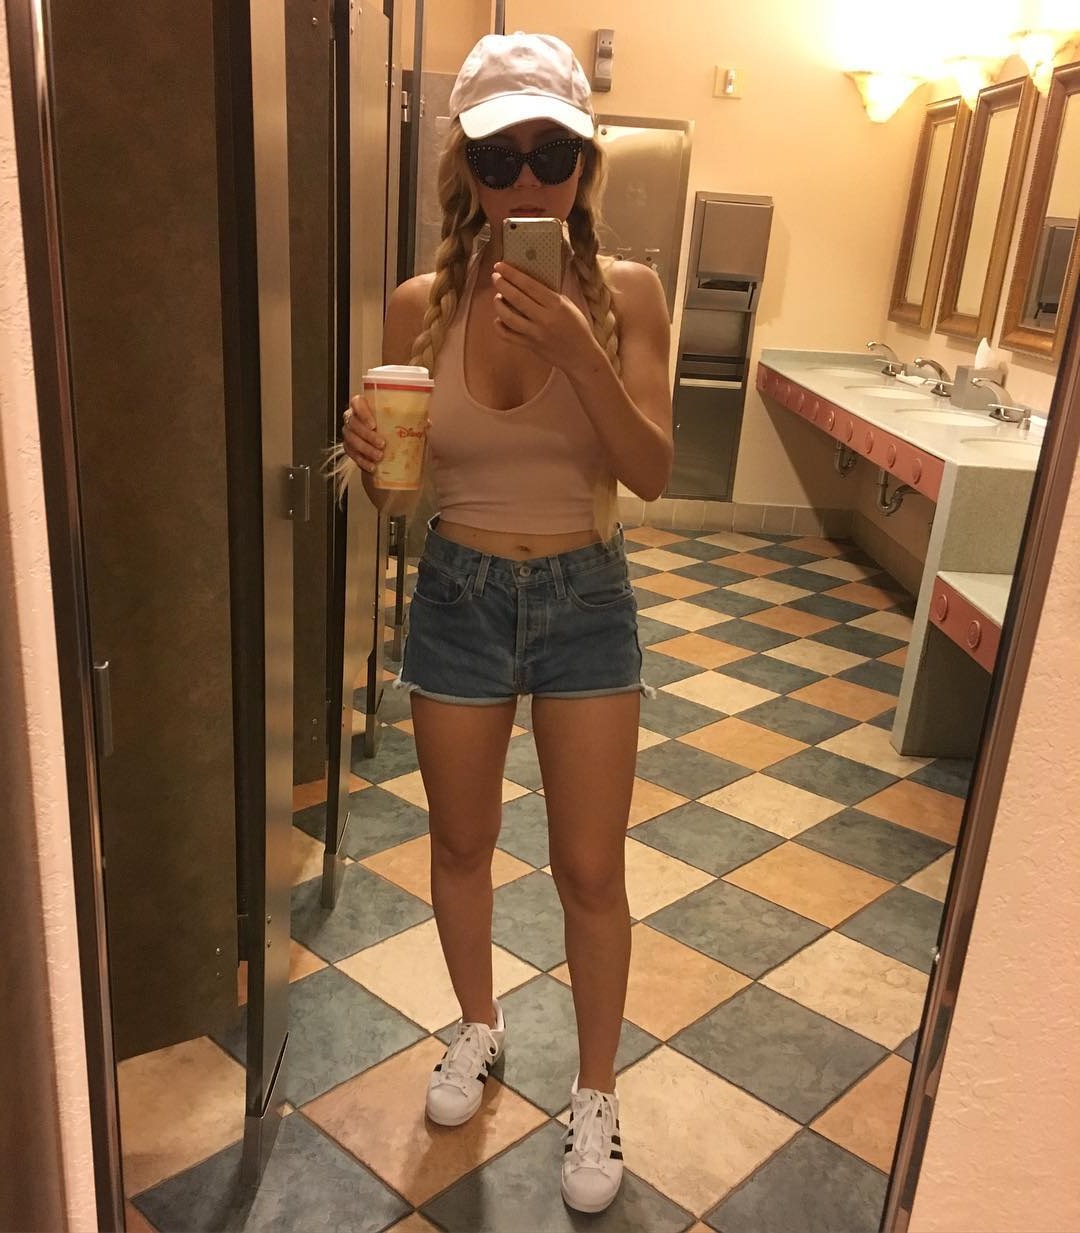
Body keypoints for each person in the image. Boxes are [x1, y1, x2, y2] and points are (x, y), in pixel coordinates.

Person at [342, 31, 672, 1214]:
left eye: (551, 155)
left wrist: (581, 352)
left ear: (584, 162)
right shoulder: (417, 306)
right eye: (497, 159)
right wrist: (370, 462)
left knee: (590, 869)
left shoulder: (628, 295)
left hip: (587, 600)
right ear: (466, 174)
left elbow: (652, 473)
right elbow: (399, 502)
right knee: (461, 847)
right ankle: (478, 1026)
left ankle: (596, 1091)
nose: (526, 181)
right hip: (459, 598)